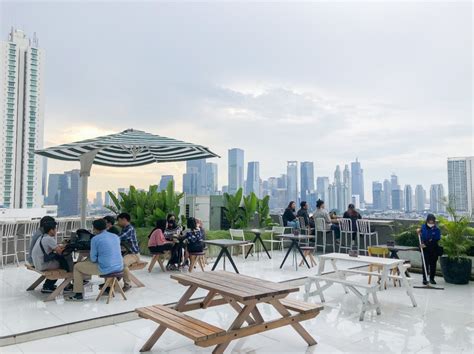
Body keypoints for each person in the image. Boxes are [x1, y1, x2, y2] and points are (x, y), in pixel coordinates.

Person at [68, 219, 123, 301]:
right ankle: (85, 280)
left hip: (106, 268)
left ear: (95, 228)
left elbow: (93, 259)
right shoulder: (115, 236)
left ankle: (78, 293)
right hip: (119, 266)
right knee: (87, 261)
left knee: (77, 266)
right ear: (106, 226)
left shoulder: (95, 239)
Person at [31, 221, 73, 293]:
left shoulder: (42, 237)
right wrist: (67, 246)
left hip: (37, 263)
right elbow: (60, 252)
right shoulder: (49, 239)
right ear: (51, 230)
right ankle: (67, 285)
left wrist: (60, 246)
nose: (56, 230)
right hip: (43, 265)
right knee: (65, 263)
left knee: (61, 261)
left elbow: (54, 248)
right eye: (55, 229)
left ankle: (49, 285)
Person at [117, 212, 141, 292]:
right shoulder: (124, 228)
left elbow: (118, 238)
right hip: (127, 253)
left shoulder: (129, 229)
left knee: (122, 264)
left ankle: (128, 283)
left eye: (119, 220)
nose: (118, 222)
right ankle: (113, 281)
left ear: (124, 220)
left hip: (133, 254)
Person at [419, 214, 441, 285]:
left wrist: (426, 244)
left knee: (433, 265)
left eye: (432, 221)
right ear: (427, 220)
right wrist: (419, 233)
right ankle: (425, 279)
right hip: (425, 250)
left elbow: (435, 240)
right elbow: (421, 237)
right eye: (430, 221)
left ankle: (432, 279)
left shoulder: (437, 229)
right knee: (425, 264)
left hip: (433, 249)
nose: (431, 223)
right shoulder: (423, 227)